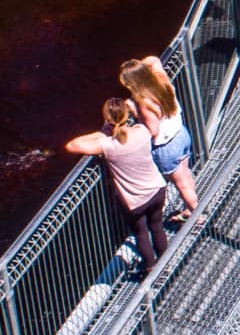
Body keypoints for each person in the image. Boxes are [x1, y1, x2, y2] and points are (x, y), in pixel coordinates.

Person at [66, 98, 169, 271]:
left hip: (135, 201)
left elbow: (72, 145)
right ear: (126, 115)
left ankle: (151, 268)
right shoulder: (142, 131)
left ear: (107, 119)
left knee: (141, 232)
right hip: (157, 189)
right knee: (157, 225)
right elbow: (151, 118)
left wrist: (100, 133)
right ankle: (166, 261)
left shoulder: (107, 145)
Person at [120, 56, 199, 217]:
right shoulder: (161, 79)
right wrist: (140, 67)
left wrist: (134, 111)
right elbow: (154, 60)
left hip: (167, 147)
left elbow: (153, 130)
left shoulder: (144, 102)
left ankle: (196, 215)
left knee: (181, 184)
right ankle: (189, 208)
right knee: (185, 173)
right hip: (181, 134)